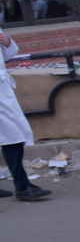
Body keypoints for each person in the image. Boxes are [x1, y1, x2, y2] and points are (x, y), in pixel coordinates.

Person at [0, 28, 51, 201]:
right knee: (12, 136)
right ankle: (22, 186)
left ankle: (22, 184)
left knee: (12, 136)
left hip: (3, 89)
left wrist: (6, 41)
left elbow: (8, 54)